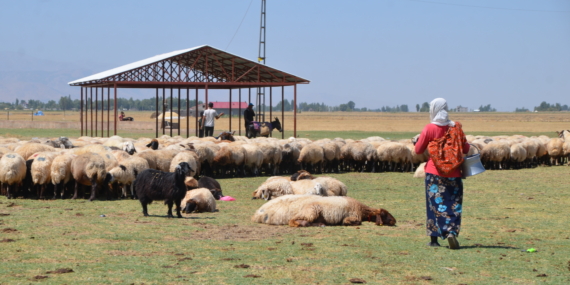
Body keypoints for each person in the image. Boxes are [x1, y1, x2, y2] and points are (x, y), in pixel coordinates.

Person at [414, 98, 470, 250]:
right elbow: (465, 149)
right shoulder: (456, 127)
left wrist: (419, 141)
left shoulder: (430, 128)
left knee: (434, 204)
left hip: (434, 173)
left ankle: (434, 239)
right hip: (455, 173)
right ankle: (451, 231)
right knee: (453, 203)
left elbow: (418, 150)